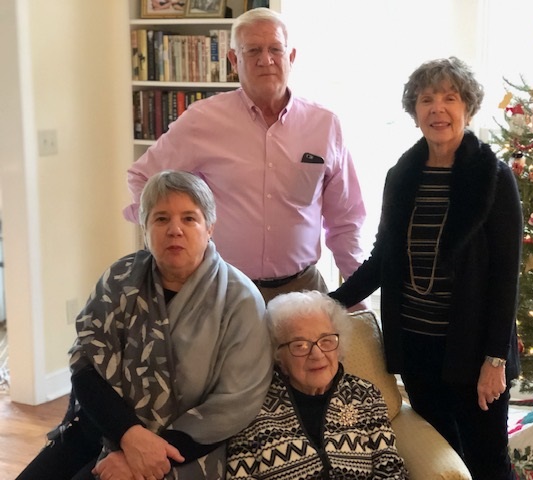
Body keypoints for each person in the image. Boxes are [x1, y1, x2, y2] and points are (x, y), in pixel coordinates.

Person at [329, 57, 523, 480]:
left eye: (449, 98)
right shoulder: (401, 176)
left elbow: (506, 274)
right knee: (441, 456)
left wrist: (495, 361)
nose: (438, 109)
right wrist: (327, 302)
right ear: (414, 112)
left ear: (467, 108)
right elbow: (382, 258)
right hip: (417, 347)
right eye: (426, 99)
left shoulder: (493, 176)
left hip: (475, 352)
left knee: (488, 460)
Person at [17, 170, 273, 480]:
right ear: (145, 228)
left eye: (189, 219)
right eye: (161, 219)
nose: (175, 230)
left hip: (184, 448)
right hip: (102, 427)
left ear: (210, 228)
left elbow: (236, 402)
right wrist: (129, 437)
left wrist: (144, 455)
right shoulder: (120, 279)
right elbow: (85, 366)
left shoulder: (240, 300)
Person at [123, 7, 367, 305]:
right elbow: (142, 177)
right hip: (225, 290)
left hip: (304, 290)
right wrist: (163, 236)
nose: (266, 60)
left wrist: (358, 294)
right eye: (253, 50)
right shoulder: (203, 121)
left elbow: (346, 220)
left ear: (291, 57)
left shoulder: (325, 125)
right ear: (233, 60)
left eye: (275, 49)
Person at [226, 290, 409, 479]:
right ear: (278, 355)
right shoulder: (252, 405)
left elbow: (391, 468)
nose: (317, 354)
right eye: (300, 345)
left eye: (326, 340)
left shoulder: (364, 395)